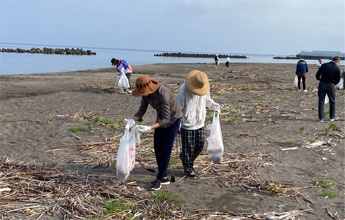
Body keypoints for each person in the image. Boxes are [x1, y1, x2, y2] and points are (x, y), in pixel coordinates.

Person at [132, 75, 182, 190]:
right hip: (161, 118)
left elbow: (167, 119)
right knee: (157, 147)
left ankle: (159, 179)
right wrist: (132, 121)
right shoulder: (146, 94)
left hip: (173, 119)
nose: (142, 94)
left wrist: (149, 128)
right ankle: (164, 176)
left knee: (165, 150)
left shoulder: (162, 93)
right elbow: (142, 109)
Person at [176, 70, 220, 178]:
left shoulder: (204, 87)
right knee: (188, 147)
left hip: (199, 121)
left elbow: (207, 100)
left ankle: (185, 158)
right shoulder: (184, 89)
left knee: (200, 145)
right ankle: (188, 168)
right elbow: (178, 107)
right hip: (187, 123)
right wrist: (177, 124)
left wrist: (214, 105)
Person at [316, 56, 341, 122]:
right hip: (331, 85)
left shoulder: (324, 65)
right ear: (337, 61)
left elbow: (317, 75)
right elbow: (338, 79)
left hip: (322, 84)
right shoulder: (337, 68)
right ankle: (332, 117)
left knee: (321, 101)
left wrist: (320, 79)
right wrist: (333, 83)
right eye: (339, 62)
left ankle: (321, 118)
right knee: (332, 101)